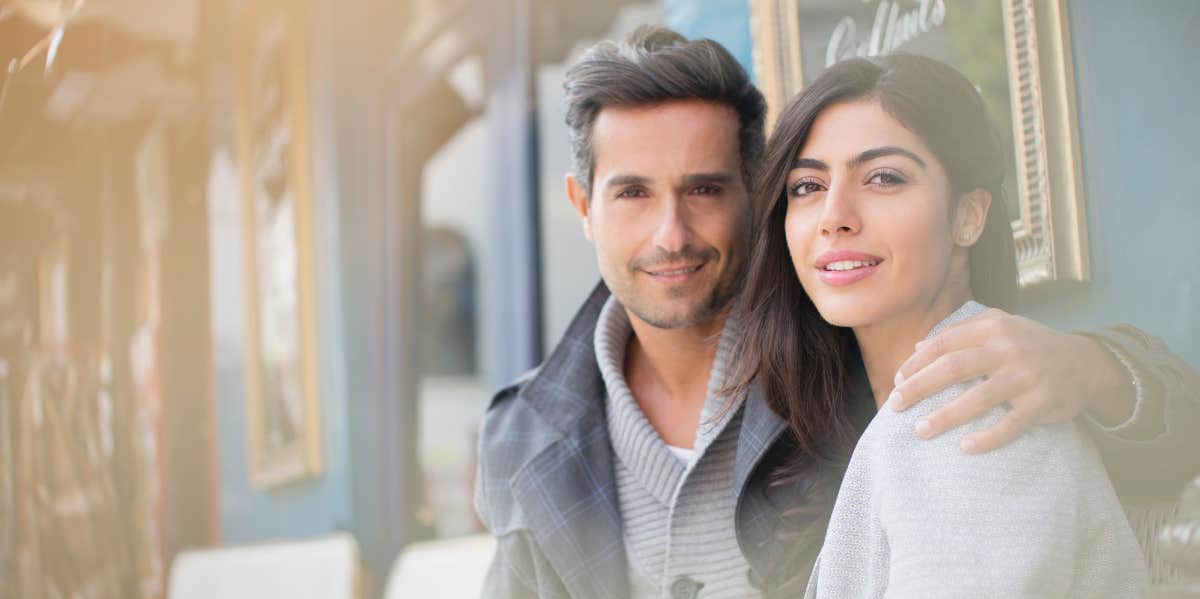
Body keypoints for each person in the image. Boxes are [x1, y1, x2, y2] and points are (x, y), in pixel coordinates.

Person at [474, 27, 1200, 598]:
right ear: (582, 205)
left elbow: (1164, 428)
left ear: (752, 197)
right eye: (633, 192)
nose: (672, 234)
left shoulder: (864, 369)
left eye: (704, 188)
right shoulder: (525, 432)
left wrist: (1096, 367)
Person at [728, 53, 1147, 597]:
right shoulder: (884, 414)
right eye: (807, 186)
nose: (835, 215)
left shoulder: (966, 421)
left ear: (969, 216)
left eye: (883, 178)